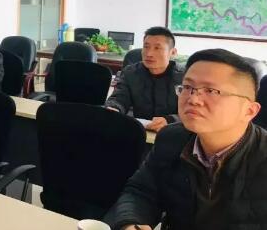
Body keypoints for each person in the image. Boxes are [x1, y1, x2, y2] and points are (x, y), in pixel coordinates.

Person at [110, 49, 266, 230]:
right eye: (187, 87)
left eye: (211, 90)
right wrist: (131, 223)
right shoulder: (172, 139)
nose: (193, 99)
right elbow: (141, 192)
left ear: (249, 111)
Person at [105, 26, 184, 132]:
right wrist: (114, 108)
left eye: (157, 48)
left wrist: (170, 120)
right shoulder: (131, 73)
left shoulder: (185, 77)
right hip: (141, 131)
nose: (149, 54)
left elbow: (194, 110)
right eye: (146, 47)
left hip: (174, 132)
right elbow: (119, 98)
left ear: (173, 52)